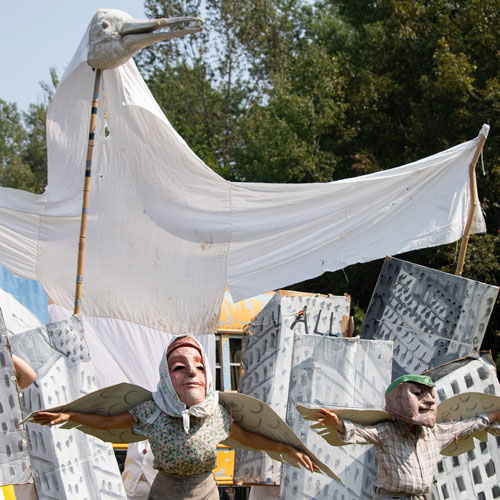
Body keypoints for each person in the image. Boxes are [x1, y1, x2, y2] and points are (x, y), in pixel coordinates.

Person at [33, 335, 318, 500]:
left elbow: (249, 438)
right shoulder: (151, 411)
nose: (192, 372)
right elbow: (108, 422)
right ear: (165, 376)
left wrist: (287, 448)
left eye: (199, 366)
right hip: (164, 493)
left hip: (205, 493)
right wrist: (71, 415)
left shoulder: (217, 414)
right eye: (179, 367)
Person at [315, 374, 500, 500]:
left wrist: (493, 416)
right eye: (418, 394)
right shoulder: (388, 431)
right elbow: (361, 433)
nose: (428, 401)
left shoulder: (434, 433)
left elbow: (465, 427)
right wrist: (337, 423)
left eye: (430, 395)